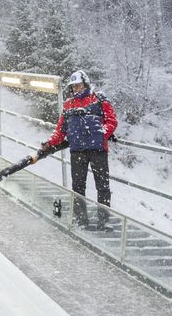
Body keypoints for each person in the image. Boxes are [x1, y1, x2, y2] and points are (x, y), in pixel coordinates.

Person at [42, 70, 117, 231]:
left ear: (86, 84)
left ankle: (104, 222)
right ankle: (81, 220)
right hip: (77, 152)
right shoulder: (68, 104)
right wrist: (50, 143)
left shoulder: (99, 98)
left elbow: (111, 120)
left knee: (102, 187)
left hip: (98, 151)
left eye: (79, 85)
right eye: (74, 86)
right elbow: (61, 129)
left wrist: (102, 133)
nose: (77, 89)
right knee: (78, 187)